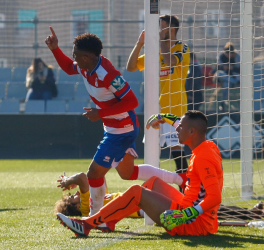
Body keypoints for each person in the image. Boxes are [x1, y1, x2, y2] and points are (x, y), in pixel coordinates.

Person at [45, 27, 186, 231]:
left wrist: (100, 113)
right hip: (114, 127)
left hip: (122, 129)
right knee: (127, 173)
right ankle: (179, 178)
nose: (74, 58)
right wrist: (55, 49)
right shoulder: (85, 66)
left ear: (87, 56)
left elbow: (132, 101)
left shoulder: (107, 73)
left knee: (93, 173)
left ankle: (96, 219)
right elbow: (68, 67)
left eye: (76, 55)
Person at [56, 110, 224, 237]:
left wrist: (184, 214)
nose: (176, 129)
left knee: (137, 192)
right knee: (153, 182)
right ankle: (108, 222)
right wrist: (166, 117)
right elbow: (185, 125)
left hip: (194, 222)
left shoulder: (203, 157)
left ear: (192, 132)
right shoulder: (206, 145)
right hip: (191, 210)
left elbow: (215, 197)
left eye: (181, 127)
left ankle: (87, 225)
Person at [54, 171, 264, 222]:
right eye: (72, 198)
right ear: (74, 208)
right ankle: (253, 215)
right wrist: (69, 181)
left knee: (195, 204)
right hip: (145, 207)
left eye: (73, 194)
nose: (75, 195)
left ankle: (251, 214)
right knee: (197, 209)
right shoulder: (86, 208)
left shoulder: (94, 201)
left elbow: (94, 178)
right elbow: (85, 178)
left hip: (144, 200)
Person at [126, 14, 190, 178]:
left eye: (161, 26)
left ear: (171, 29)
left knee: (176, 150)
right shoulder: (155, 51)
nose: (158, 30)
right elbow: (130, 67)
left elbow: (170, 62)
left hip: (175, 107)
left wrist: (161, 41)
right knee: (152, 151)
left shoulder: (181, 47)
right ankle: (155, 188)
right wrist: (140, 43)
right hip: (155, 109)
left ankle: (186, 188)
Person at [212, 42, 240, 112]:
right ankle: (232, 82)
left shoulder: (237, 56)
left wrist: (232, 68)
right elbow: (218, 68)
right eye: (227, 53)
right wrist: (224, 67)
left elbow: (241, 69)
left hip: (235, 77)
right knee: (219, 74)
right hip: (225, 77)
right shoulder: (222, 56)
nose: (228, 55)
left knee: (226, 84)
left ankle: (223, 103)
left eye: (230, 53)